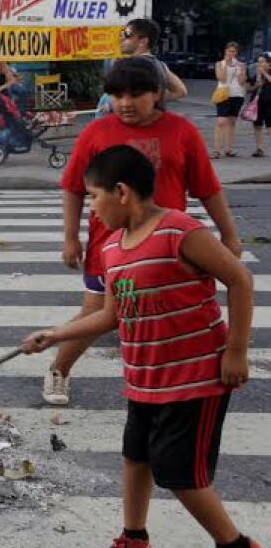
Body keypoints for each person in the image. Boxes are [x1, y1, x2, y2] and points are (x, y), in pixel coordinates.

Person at [21, 145, 258, 548]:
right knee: (136, 456)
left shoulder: (178, 230)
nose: (91, 208)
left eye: (94, 196)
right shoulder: (113, 249)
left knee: (178, 473)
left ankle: (235, 543)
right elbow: (111, 315)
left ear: (122, 192)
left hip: (193, 378)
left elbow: (239, 279)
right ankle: (133, 536)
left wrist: (236, 350)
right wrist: (57, 334)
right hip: (145, 380)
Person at [43, 56, 242, 407]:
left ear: (157, 94)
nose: (126, 103)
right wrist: (70, 237)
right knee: (97, 313)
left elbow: (207, 188)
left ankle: (168, 385)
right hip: (109, 248)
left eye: (136, 94)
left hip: (170, 250)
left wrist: (229, 234)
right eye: (118, 95)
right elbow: (74, 187)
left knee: (166, 316)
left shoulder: (181, 131)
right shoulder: (96, 132)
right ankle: (59, 368)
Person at [119, 18, 187, 103]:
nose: (121, 38)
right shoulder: (160, 65)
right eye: (122, 34)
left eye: (127, 35)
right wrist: (152, 100)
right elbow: (181, 91)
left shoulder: (132, 66)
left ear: (143, 41)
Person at [213, 42, 246, 158]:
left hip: (237, 94)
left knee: (232, 122)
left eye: (234, 51)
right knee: (221, 121)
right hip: (223, 94)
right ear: (225, 51)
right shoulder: (219, 64)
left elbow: (242, 81)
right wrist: (226, 65)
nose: (232, 53)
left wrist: (240, 71)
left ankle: (229, 149)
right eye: (229, 51)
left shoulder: (241, 65)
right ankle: (217, 150)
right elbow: (221, 78)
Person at [250, 53, 271, 157]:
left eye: (262, 62)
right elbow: (251, 87)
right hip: (258, 101)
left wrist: (264, 73)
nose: (260, 64)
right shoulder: (257, 74)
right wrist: (256, 83)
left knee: (269, 126)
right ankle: (260, 148)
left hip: (269, 102)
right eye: (259, 62)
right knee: (257, 125)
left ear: (269, 63)